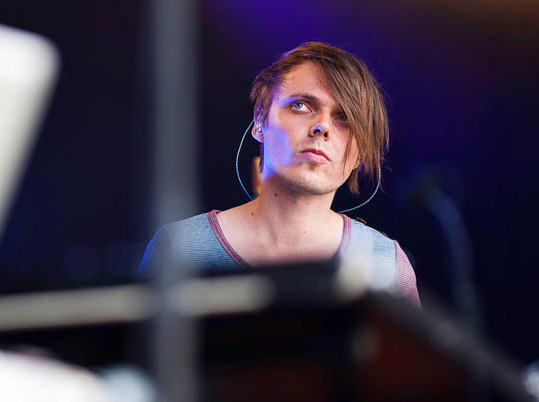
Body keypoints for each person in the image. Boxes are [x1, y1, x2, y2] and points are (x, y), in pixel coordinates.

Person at [139, 41, 419, 307]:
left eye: (344, 117)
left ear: (360, 153)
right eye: (301, 105)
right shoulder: (180, 249)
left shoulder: (386, 264)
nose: (322, 127)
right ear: (260, 120)